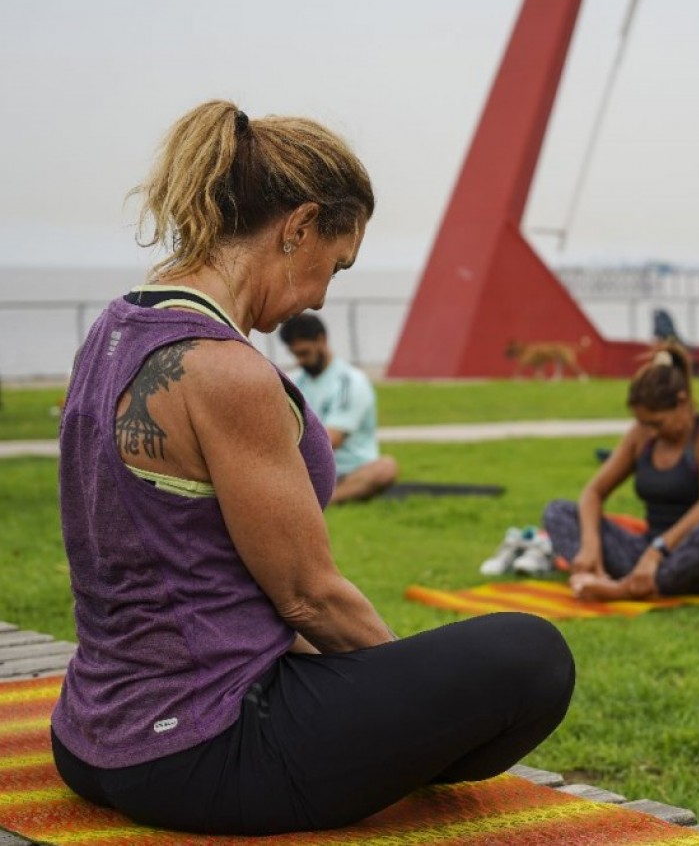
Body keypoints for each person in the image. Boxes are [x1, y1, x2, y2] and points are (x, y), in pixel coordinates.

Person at [50, 100, 575, 837]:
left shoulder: (113, 330)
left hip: (87, 735)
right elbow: (308, 598)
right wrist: (407, 697)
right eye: (335, 264)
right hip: (206, 754)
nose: (324, 296)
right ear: (298, 228)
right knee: (532, 655)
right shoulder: (226, 372)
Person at [541, 344, 699, 601]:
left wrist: (656, 552)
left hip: (696, 560)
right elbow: (593, 492)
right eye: (643, 423)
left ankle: (624, 590)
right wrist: (590, 546)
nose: (651, 432)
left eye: (657, 423)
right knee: (558, 512)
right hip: (644, 556)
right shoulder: (641, 437)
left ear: (682, 403)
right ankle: (606, 576)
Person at [279, 313, 398, 502]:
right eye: (294, 354)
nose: (299, 361)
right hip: (305, 470)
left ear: (321, 339)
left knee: (385, 468)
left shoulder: (351, 381)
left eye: (304, 353)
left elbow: (332, 440)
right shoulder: (292, 381)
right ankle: (312, 497)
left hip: (351, 472)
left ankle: (324, 501)